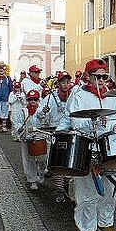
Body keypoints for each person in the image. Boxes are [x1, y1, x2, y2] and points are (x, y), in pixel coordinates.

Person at [68, 59, 116, 231]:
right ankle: (87, 229)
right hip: (88, 146)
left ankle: (105, 222)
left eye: (104, 76)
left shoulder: (111, 96)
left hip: (108, 147)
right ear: (88, 77)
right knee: (86, 192)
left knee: (110, 189)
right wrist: (94, 123)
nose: (101, 80)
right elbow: (75, 121)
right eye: (97, 76)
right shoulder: (79, 95)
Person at [36, 71, 74, 202]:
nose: (66, 85)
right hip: (55, 133)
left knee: (70, 162)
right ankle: (59, 190)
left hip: (70, 132)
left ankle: (69, 188)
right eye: (63, 82)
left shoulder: (74, 97)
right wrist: (43, 112)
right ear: (58, 83)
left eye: (68, 82)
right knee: (57, 163)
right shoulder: (49, 98)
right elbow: (39, 115)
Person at [13, 89, 48, 191]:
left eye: (35, 99)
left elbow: (42, 116)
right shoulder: (23, 111)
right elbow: (18, 123)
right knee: (28, 160)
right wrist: (20, 130)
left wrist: (44, 112)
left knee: (43, 158)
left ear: (38, 100)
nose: (32, 101)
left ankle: (42, 173)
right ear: (27, 100)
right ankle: (32, 179)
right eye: (30, 99)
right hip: (27, 137)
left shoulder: (40, 110)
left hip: (39, 137)